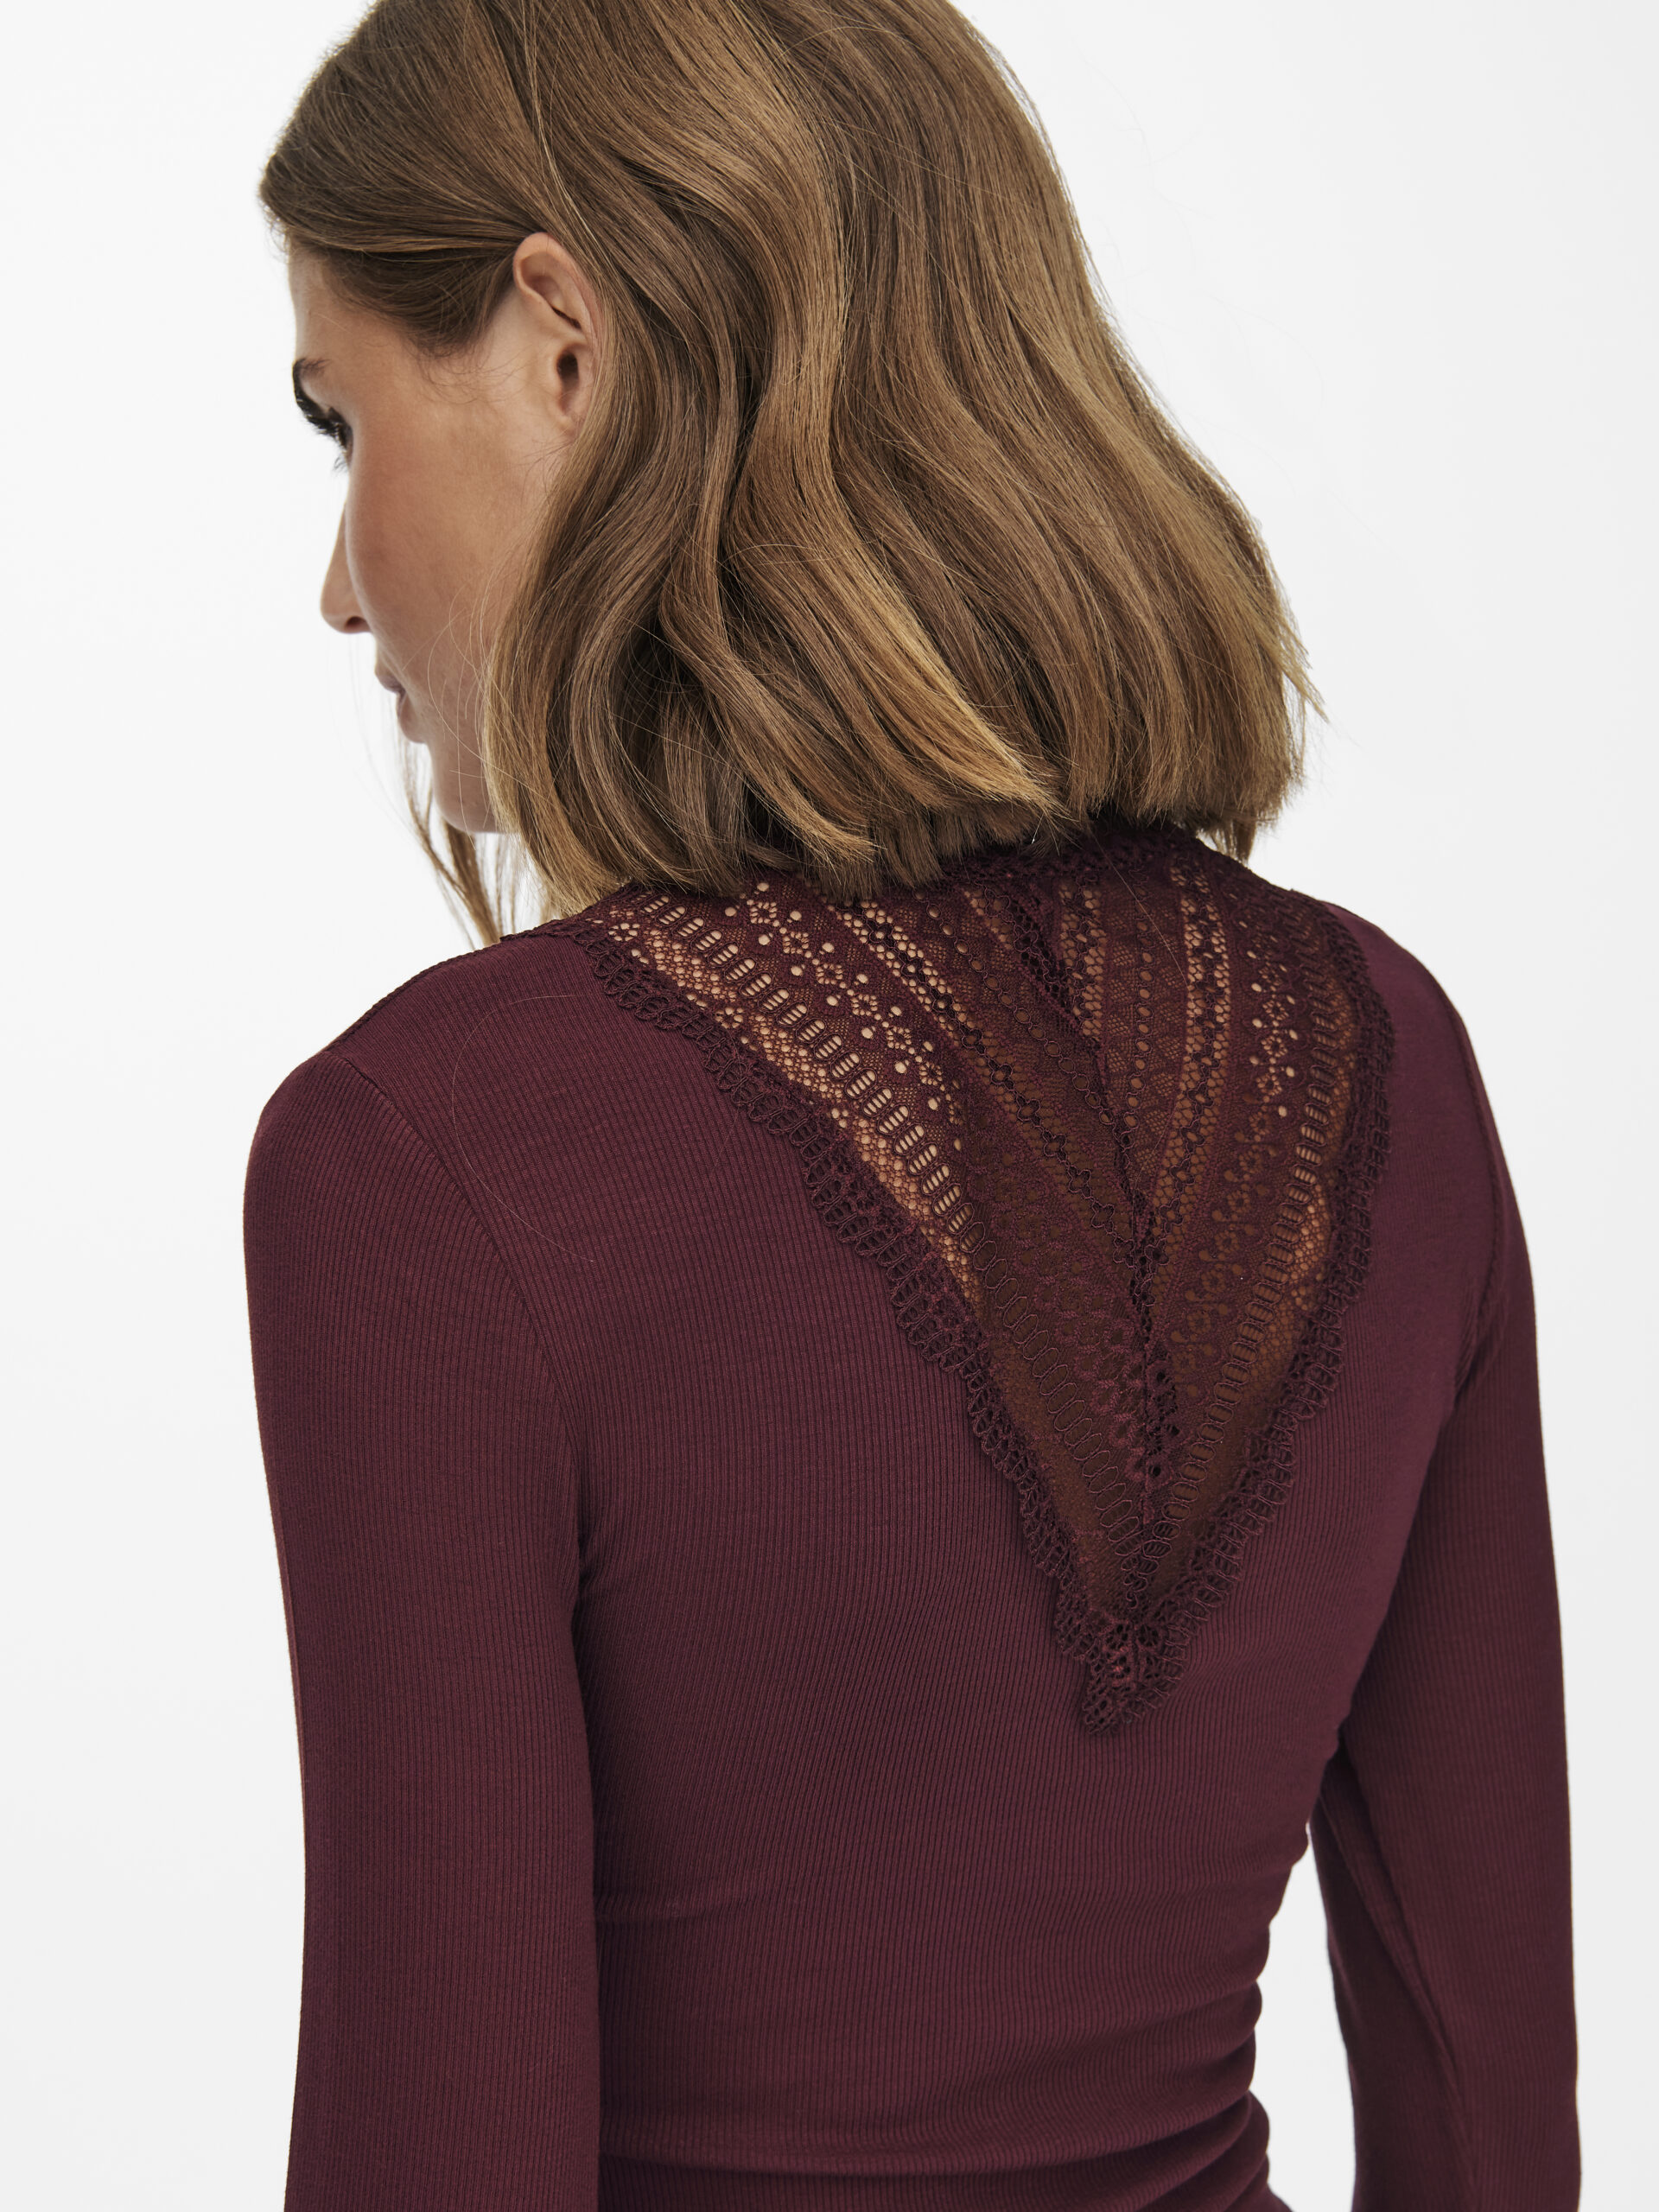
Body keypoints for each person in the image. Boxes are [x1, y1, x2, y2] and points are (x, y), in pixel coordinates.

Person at [242, 3, 1579, 2206]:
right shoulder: (1391, 1057)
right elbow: (1492, 2119)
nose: (337, 581)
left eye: (339, 419)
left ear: (563, 347)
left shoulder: (427, 1154)